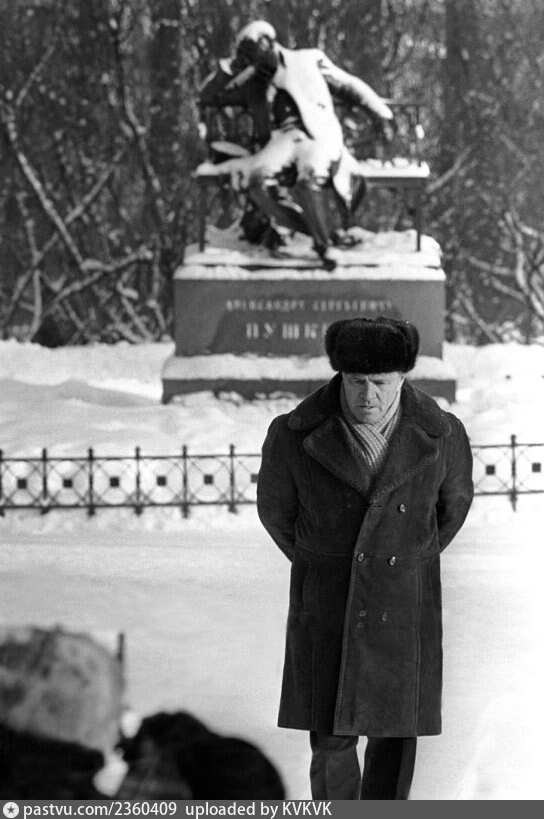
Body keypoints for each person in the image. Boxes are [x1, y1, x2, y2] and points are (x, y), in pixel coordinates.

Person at [256, 316, 474, 800]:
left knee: (395, 739)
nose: (368, 396)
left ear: (403, 378)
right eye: (356, 382)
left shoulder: (442, 434)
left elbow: (451, 509)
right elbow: (277, 512)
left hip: (403, 603)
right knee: (331, 739)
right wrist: (329, 562)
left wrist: (399, 558)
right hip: (328, 602)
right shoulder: (293, 434)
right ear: (340, 376)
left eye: (381, 382)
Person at [197, 21, 394, 270]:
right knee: (257, 184)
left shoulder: (307, 60)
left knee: (307, 180)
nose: (255, 62)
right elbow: (208, 97)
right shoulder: (254, 84)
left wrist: (380, 114)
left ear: (269, 43)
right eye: (250, 58)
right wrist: (229, 68)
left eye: (256, 53)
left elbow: (348, 85)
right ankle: (316, 232)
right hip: (282, 141)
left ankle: (324, 247)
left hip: (317, 136)